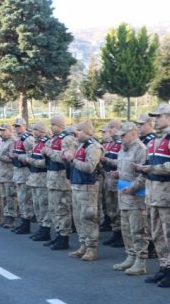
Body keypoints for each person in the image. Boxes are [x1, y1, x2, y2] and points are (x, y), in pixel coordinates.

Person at [133, 104, 170, 287]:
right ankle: (163, 265)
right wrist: (143, 170)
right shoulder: (154, 140)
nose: (155, 119)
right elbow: (149, 163)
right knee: (157, 234)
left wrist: (152, 168)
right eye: (154, 117)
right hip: (154, 194)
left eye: (158, 116)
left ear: (169, 117)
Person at [112, 122, 149, 275]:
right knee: (126, 229)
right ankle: (130, 256)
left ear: (133, 133)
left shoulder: (141, 149)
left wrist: (133, 187)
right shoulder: (123, 149)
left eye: (123, 135)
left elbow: (144, 174)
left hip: (136, 196)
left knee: (138, 230)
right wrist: (117, 174)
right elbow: (124, 168)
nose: (120, 138)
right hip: (123, 193)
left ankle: (140, 261)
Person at [64, 120, 103, 261]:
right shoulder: (80, 145)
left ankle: (92, 248)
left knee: (88, 217)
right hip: (77, 185)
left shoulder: (93, 147)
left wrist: (73, 160)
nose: (76, 133)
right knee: (78, 218)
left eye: (79, 130)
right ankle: (83, 245)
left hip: (88, 186)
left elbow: (90, 167)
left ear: (86, 131)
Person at [42, 116, 78, 250]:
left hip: (61, 178)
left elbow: (66, 157)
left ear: (60, 125)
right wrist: (45, 152)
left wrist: (49, 152)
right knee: (54, 208)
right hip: (52, 177)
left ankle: (64, 237)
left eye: (53, 125)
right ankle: (58, 234)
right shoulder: (54, 139)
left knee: (62, 209)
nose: (51, 127)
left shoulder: (67, 139)